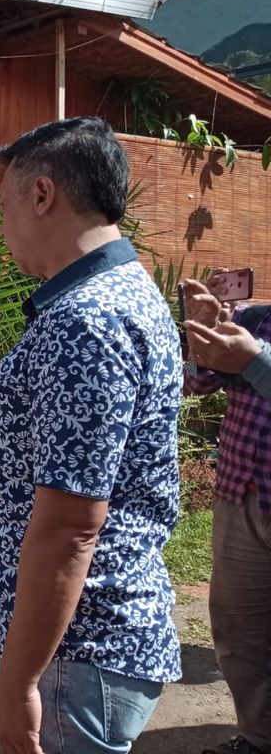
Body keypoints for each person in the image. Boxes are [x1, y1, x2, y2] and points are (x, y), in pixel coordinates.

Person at [0, 117, 183, 754]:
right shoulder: (122, 295)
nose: (0, 229)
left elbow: (71, 524)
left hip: (77, 650)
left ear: (42, 195)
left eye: (4, 204)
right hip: (84, 646)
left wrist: (20, 679)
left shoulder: (86, 320)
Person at [182, 276, 271, 754]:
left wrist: (256, 361)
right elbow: (196, 381)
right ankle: (258, 738)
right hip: (241, 493)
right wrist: (202, 332)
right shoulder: (256, 320)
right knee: (239, 631)